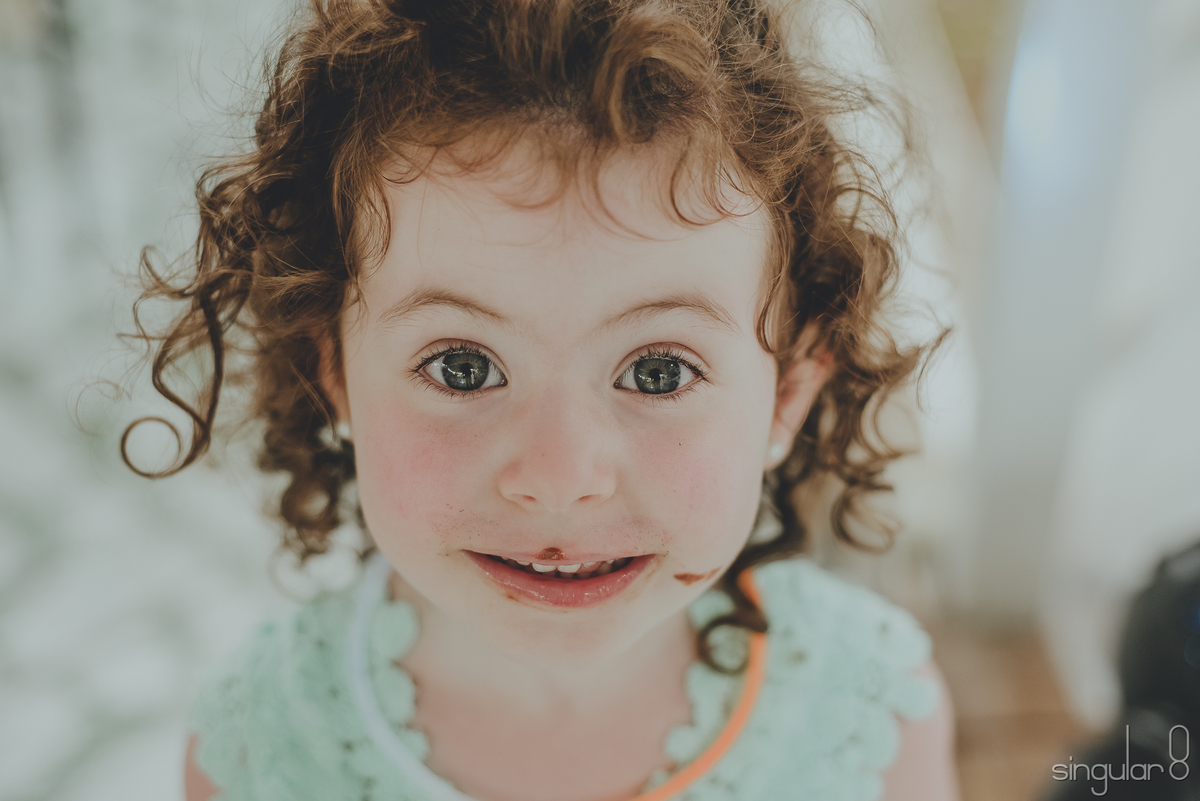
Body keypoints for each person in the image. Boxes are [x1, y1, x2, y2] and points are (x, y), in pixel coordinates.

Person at [124, 0, 958, 798]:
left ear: (788, 394)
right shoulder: (258, 747)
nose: (559, 478)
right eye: (461, 367)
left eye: (659, 372)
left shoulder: (874, 721)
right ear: (333, 371)